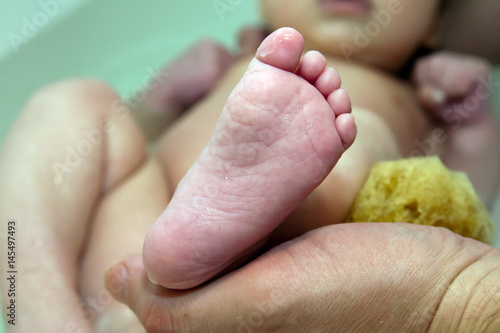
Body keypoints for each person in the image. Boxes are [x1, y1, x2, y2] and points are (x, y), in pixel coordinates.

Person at [0, 2, 499, 333]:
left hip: (298, 273)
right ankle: (38, 310)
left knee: (362, 131)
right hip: (127, 269)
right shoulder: (225, 63)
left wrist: (473, 119)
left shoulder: (422, 97)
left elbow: (465, 214)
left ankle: (268, 205)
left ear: (435, 22)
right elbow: (123, 149)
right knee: (77, 105)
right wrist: (159, 100)